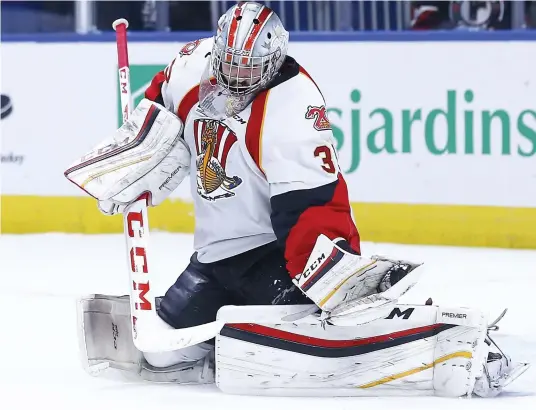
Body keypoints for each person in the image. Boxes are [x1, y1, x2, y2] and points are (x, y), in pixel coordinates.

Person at [66, 2, 527, 397]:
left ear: (272, 61)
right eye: (229, 68)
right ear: (216, 51)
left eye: (250, 73)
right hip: (215, 255)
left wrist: (329, 274)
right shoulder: (191, 65)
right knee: (162, 353)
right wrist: (139, 150)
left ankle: (439, 338)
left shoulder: (293, 106)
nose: (235, 82)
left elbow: (313, 205)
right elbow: (159, 107)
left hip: (276, 258)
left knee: (311, 328)